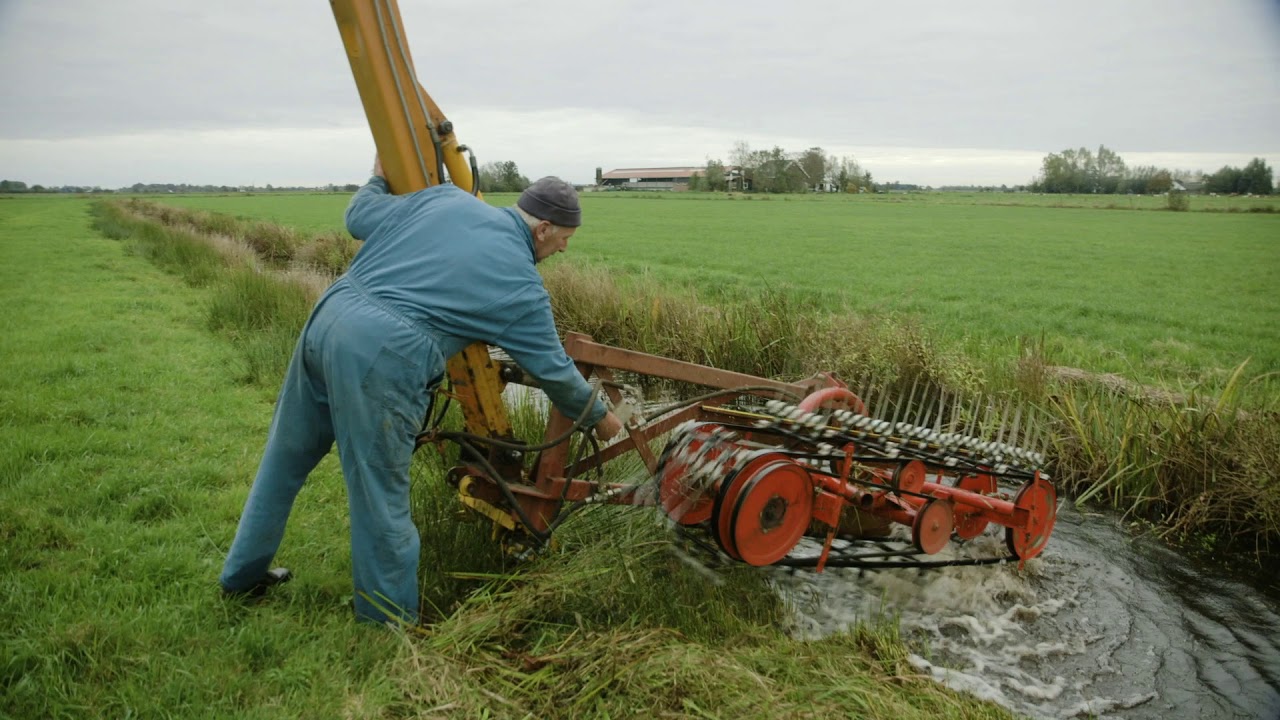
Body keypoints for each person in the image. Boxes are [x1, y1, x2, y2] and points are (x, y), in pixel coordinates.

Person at [219, 157, 622, 624]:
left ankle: (241, 576)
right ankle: (387, 622)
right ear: (543, 230)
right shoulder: (521, 286)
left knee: (284, 457)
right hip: (382, 354)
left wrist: (378, 174)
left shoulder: (446, 199)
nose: (564, 251)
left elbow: (358, 216)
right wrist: (603, 419)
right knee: (380, 491)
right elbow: (554, 372)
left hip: (327, 319)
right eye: (564, 241)